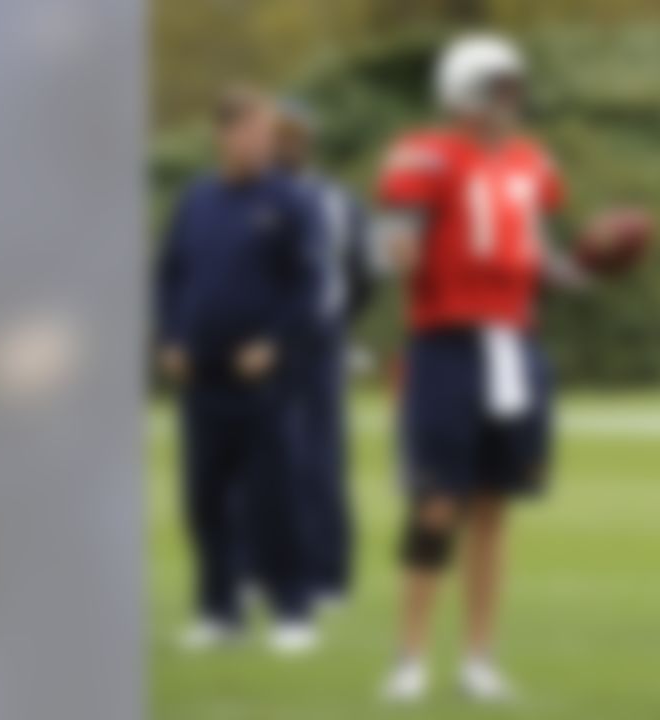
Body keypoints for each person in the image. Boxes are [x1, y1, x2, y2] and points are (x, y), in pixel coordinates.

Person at [375, 34, 587, 702]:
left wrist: (581, 268)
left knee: (495, 507)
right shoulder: (427, 154)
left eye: (514, 86)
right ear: (464, 92)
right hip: (445, 343)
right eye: (499, 86)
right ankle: (409, 658)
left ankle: (479, 661)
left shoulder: (532, 161)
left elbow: (539, 252)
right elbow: (392, 244)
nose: (512, 98)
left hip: (515, 345)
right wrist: (396, 250)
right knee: (438, 502)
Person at [156, 86, 323, 656]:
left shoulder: (290, 203)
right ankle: (217, 611)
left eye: (268, 133)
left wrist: (274, 342)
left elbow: (309, 288)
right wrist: (170, 338)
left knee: (276, 497)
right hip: (201, 376)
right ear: (223, 135)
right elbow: (170, 276)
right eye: (251, 131)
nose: (262, 143)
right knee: (204, 499)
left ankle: (293, 611)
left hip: (263, 378)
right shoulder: (196, 200)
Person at [275, 100, 375, 609]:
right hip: (256, 351)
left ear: (309, 141)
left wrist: (332, 324)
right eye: (279, 134)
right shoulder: (237, 195)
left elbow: (363, 274)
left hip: (318, 346)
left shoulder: (337, 200)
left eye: (297, 134)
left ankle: (328, 575)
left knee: (321, 464)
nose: (288, 143)